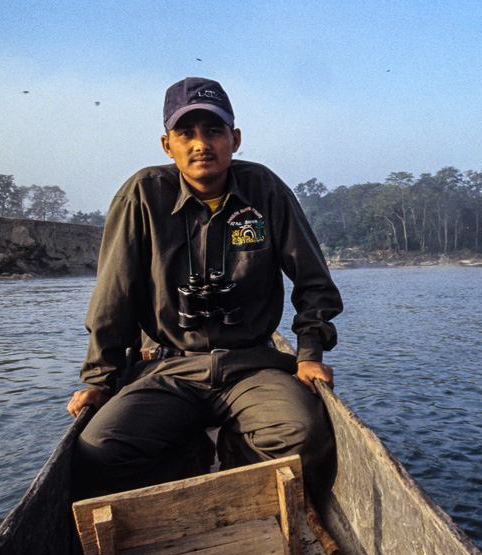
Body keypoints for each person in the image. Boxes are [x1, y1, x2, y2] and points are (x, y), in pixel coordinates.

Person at [67, 77, 342, 495]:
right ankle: (186, 455)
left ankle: (237, 452)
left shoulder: (264, 190)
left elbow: (314, 281)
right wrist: (100, 381)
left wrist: (309, 354)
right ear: (167, 144)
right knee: (97, 450)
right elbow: (113, 298)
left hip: (252, 364)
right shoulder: (142, 195)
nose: (201, 144)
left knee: (304, 437)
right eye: (186, 133)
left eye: (214, 131)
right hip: (169, 367)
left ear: (234, 139)